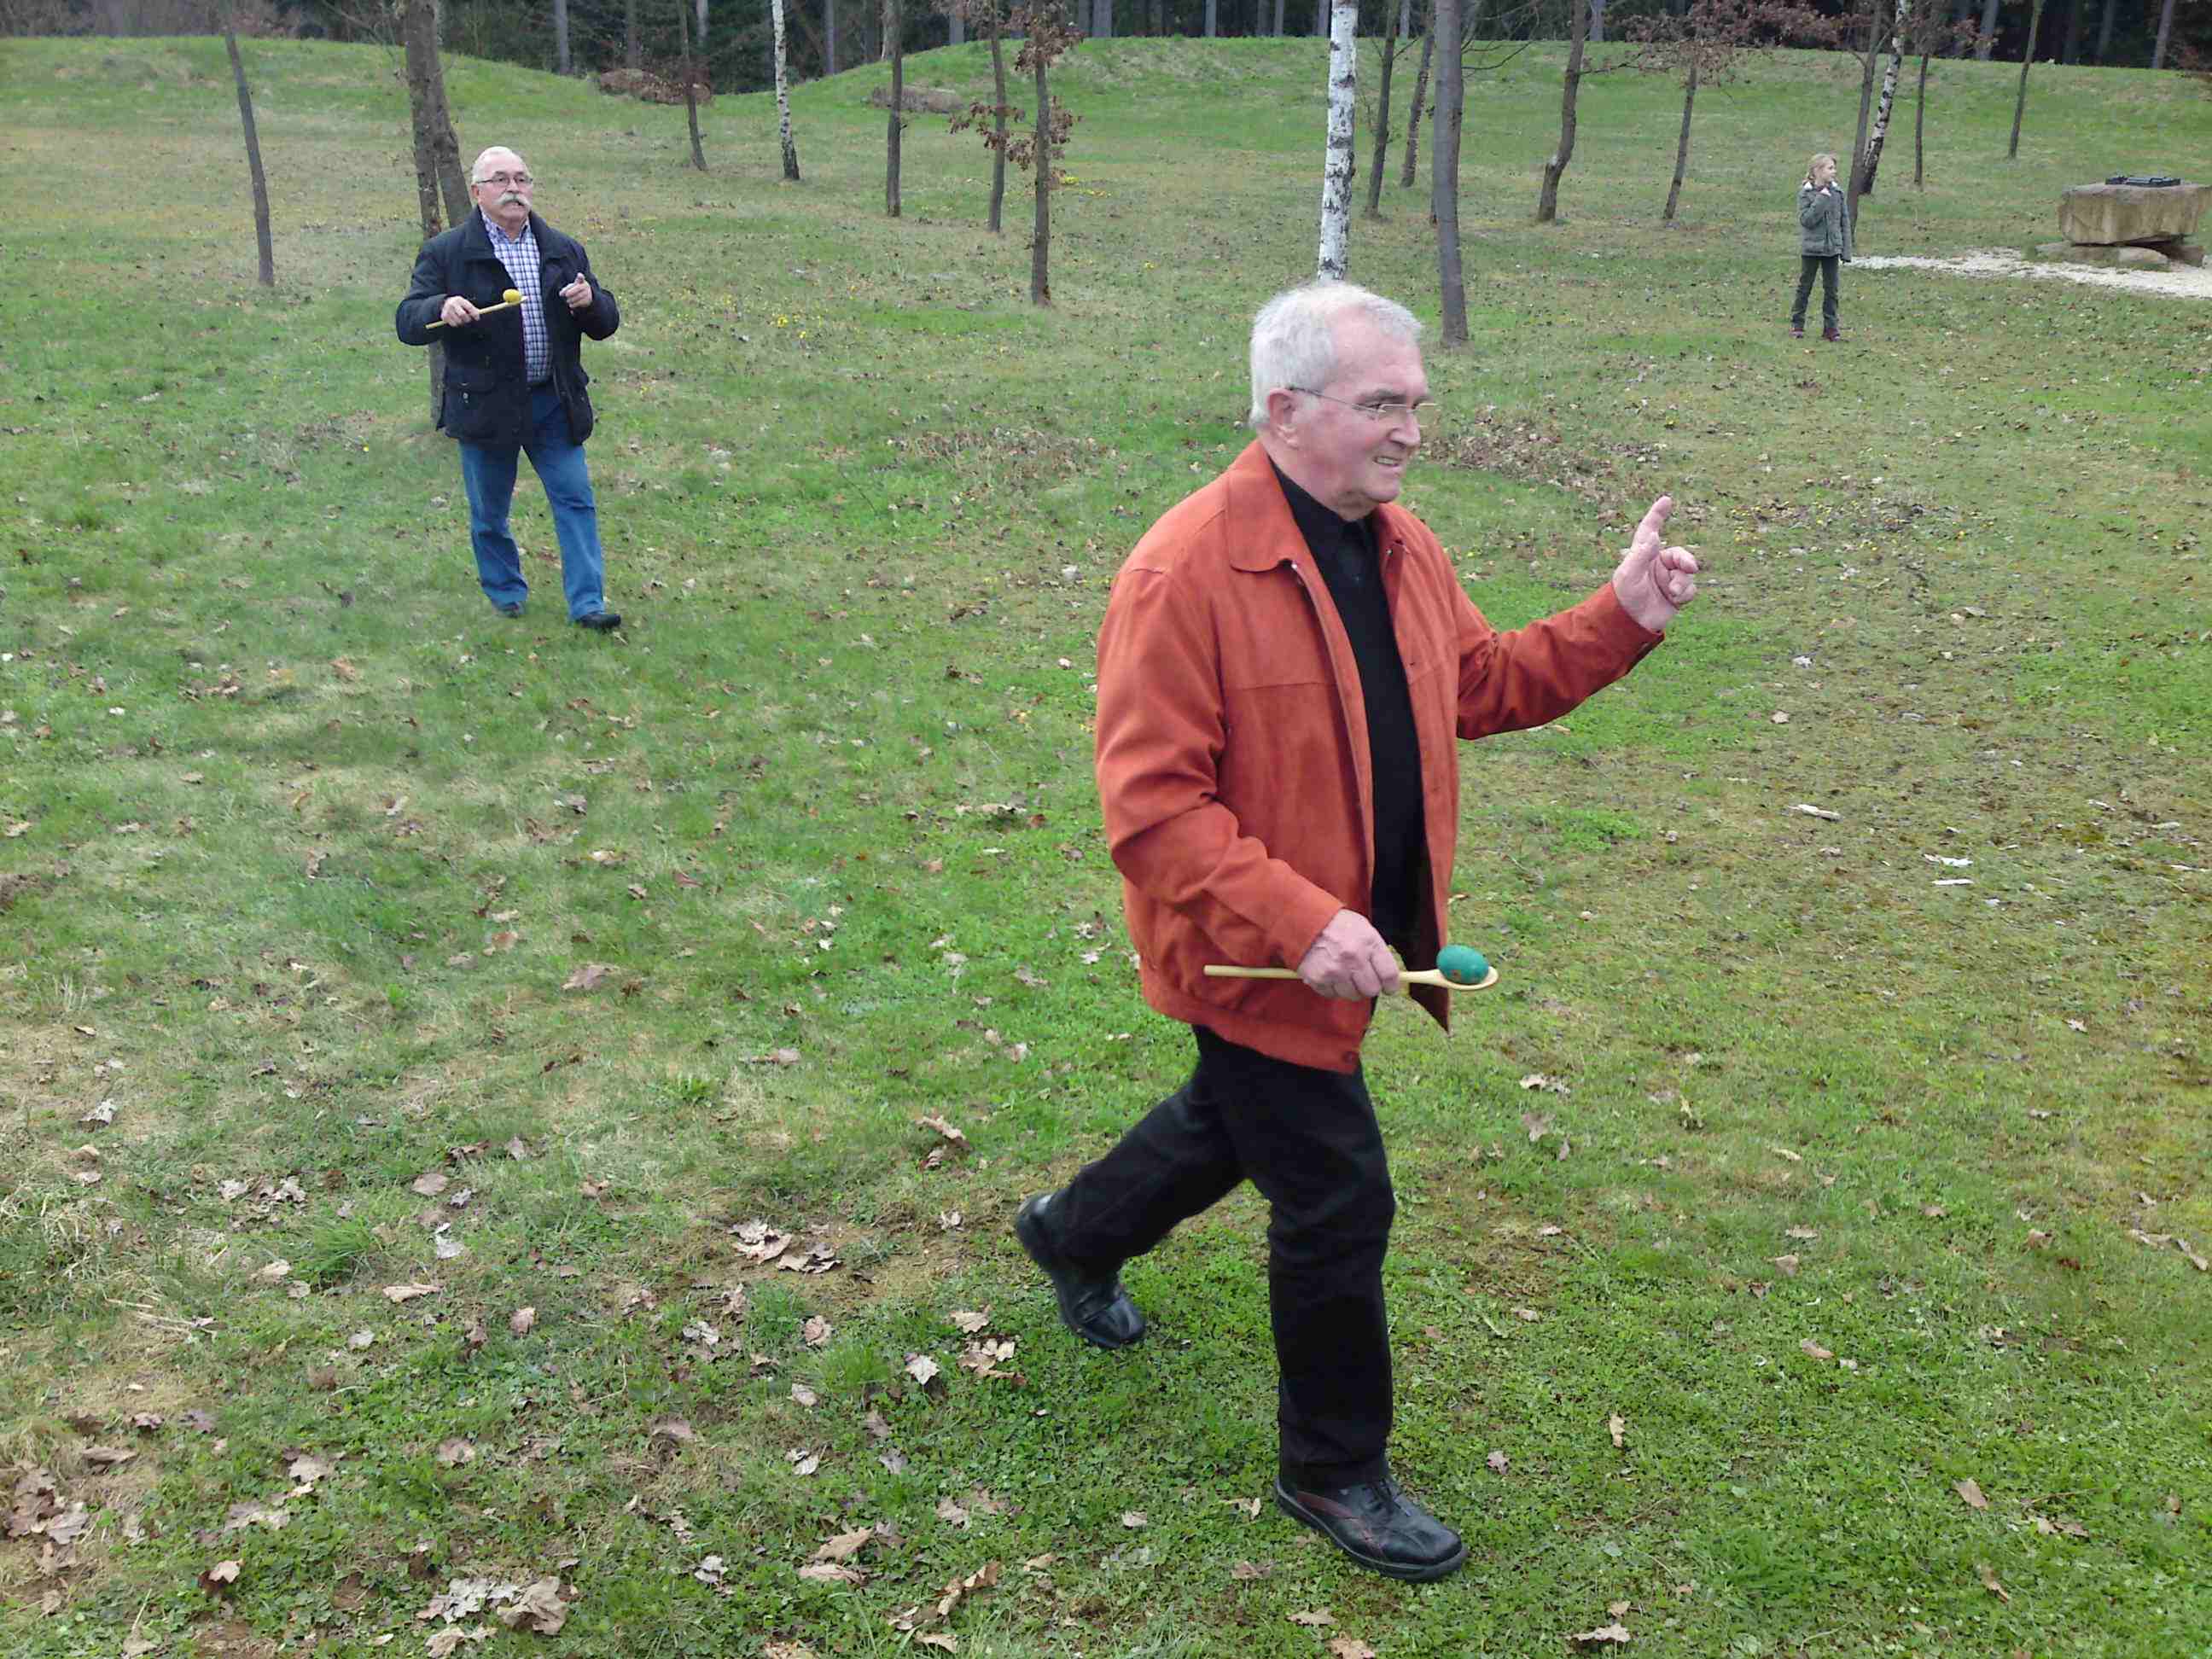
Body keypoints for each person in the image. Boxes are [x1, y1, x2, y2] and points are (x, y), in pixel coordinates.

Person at [1013, 280, 1699, 1583]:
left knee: (1233, 1123)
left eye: (1417, 405)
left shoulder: (1401, 546)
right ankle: (1333, 1469)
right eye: (1384, 404)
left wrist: (1622, 619)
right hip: (1250, 955)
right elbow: (1152, 812)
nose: (1413, 432)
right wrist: (1302, 919)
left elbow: (1477, 684)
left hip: (1355, 947)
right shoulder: (1183, 572)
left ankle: (1075, 1232)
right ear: (1285, 410)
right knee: (1336, 1192)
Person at [395, 147, 624, 631]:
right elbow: (408, 320)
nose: (514, 188)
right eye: (500, 179)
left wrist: (590, 301)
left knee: (576, 499)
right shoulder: (447, 252)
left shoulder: (562, 249)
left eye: (521, 178)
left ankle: (588, 603)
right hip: (486, 404)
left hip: (553, 401)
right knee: (490, 512)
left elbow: (605, 323)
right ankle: (505, 592)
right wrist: (441, 307)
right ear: (477, 192)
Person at [1792, 152, 1853, 343]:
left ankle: (1831, 329)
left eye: (1834, 168)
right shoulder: (1806, 194)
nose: (1834, 171)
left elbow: (1844, 222)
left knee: (1831, 291)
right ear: (1817, 171)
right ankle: (1797, 325)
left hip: (1832, 250)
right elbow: (1807, 220)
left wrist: (1845, 250)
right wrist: (1822, 199)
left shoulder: (1838, 193)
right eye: (1830, 168)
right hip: (1811, 250)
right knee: (1805, 287)